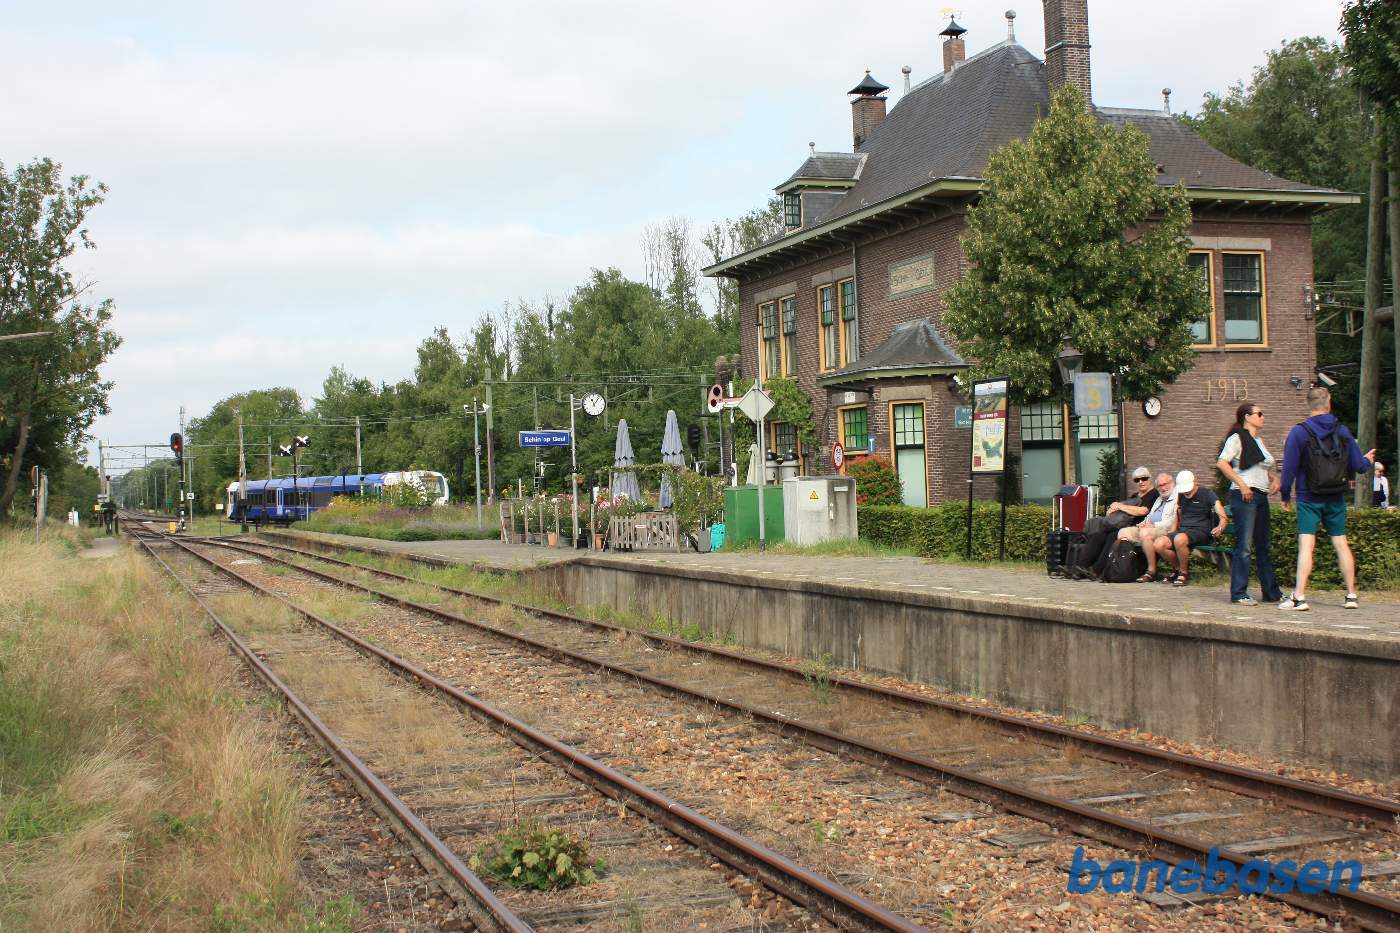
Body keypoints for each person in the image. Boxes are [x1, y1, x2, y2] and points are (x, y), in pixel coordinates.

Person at [1278, 387, 1375, 610]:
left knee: (1306, 546)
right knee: (1341, 543)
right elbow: (1358, 466)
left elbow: (1289, 470)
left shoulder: (1298, 433)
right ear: (1328, 403)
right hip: (1336, 497)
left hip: (1308, 497)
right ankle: (1351, 596)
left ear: (1308, 404)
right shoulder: (1342, 431)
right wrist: (1368, 460)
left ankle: (1299, 597)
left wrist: (1285, 495)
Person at [1215, 403, 1283, 606]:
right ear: (1247, 417)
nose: (1263, 417)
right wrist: (1242, 485)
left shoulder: (1258, 441)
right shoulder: (1237, 438)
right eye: (1259, 414)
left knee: (1263, 545)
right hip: (1245, 496)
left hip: (1260, 495)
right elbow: (1222, 462)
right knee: (1244, 546)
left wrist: (1273, 478)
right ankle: (1239, 593)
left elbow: (1260, 466)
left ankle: (1271, 592)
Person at [1073, 467, 1158, 580]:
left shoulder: (1153, 494)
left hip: (1136, 527)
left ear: (1149, 479)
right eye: (1137, 480)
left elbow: (1143, 510)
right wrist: (1112, 511)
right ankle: (1080, 567)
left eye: (1144, 478)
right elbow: (1123, 510)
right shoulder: (1134, 496)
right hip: (1122, 525)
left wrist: (1119, 506)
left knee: (1112, 537)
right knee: (1099, 534)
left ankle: (1096, 570)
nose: (1141, 482)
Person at [1153, 469, 1226, 587]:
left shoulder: (1207, 494)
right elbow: (1178, 515)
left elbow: (1221, 513)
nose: (1186, 492)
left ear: (1195, 481)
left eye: (1188, 488)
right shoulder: (1181, 495)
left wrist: (1221, 527)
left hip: (1201, 531)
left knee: (1179, 539)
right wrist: (1172, 532)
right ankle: (1178, 569)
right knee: (1158, 544)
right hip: (1184, 530)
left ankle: (1184, 573)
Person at [1118, 472, 1176, 581]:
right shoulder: (1159, 498)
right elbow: (1150, 515)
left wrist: (1153, 525)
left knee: (1145, 533)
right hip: (1150, 527)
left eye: (1165, 484)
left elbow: (1173, 521)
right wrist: (1143, 523)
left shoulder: (1177, 497)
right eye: (1160, 486)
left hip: (1164, 529)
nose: (1163, 488)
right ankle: (1127, 569)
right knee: (1123, 532)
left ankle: (1151, 571)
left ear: (1172, 483)